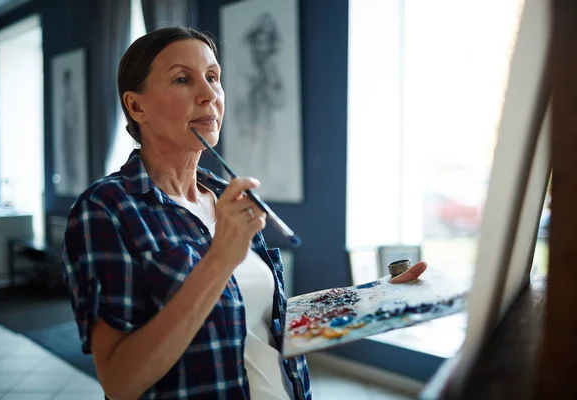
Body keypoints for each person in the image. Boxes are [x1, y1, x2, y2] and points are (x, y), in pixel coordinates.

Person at [61, 26, 427, 400]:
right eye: (183, 79)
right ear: (137, 106)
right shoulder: (104, 209)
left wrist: (377, 301)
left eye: (213, 77)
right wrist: (219, 259)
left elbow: (262, 319)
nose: (208, 95)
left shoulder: (224, 194)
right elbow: (121, 382)